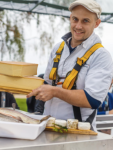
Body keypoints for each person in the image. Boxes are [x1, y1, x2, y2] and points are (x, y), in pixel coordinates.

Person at [27, 0, 113, 131]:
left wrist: (55, 91)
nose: (78, 26)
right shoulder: (58, 48)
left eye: (85, 21)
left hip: (79, 133)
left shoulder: (101, 55)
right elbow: (47, 83)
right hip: (47, 127)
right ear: (70, 18)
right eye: (75, 19)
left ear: (97, 23)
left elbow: (93, 100)